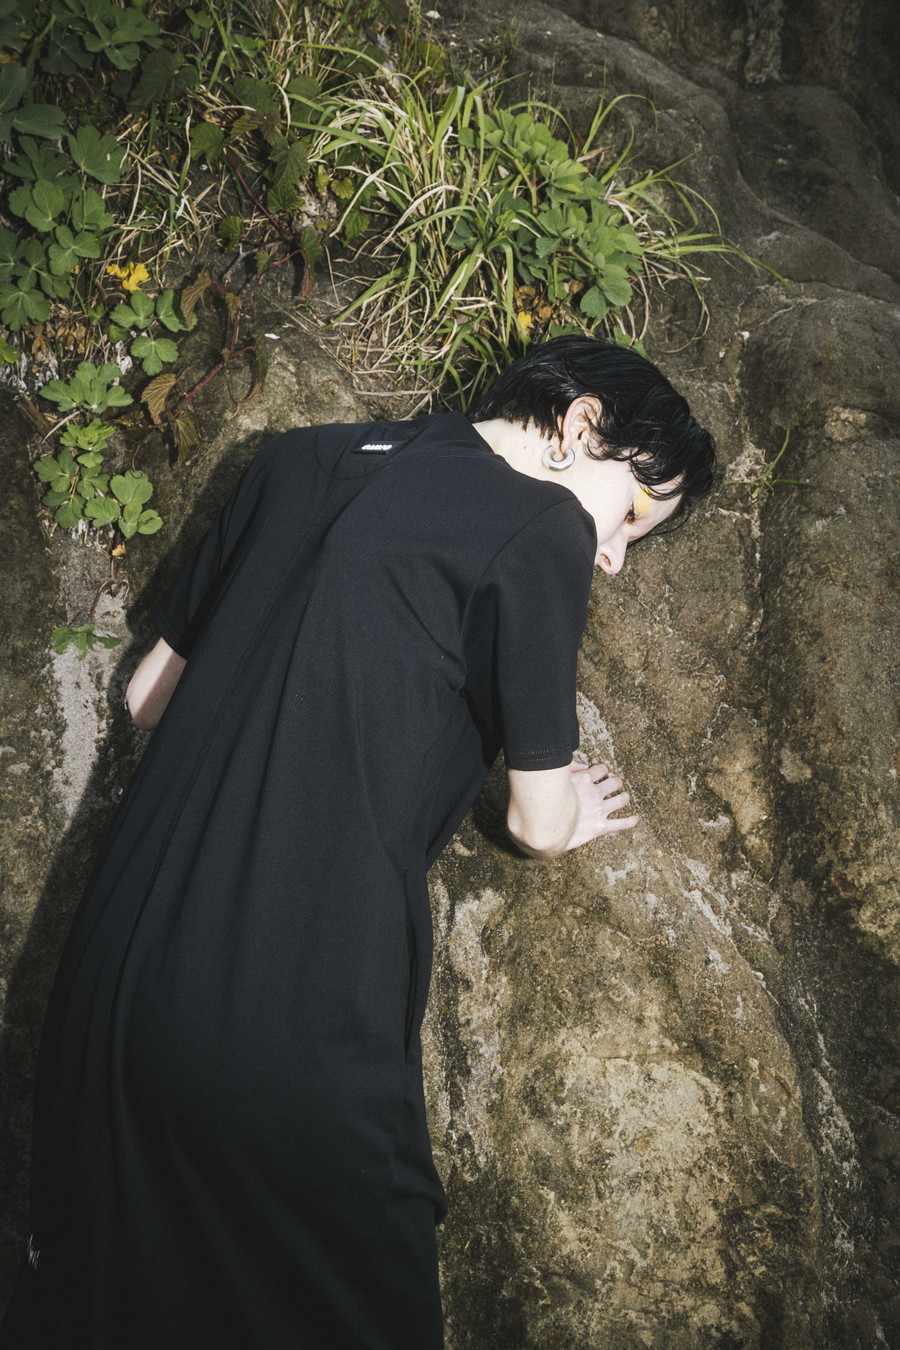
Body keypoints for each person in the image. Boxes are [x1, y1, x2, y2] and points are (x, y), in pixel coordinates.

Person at [2, 336, 717, 1349]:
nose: (615, 555)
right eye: (636, 513)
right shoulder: (542, 526)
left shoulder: (297, 458)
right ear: (579, 424)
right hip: (288, 1012)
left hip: (114, 979)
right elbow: (537, 820)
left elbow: (149, 696)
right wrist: (572, 809)